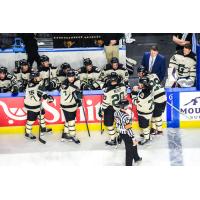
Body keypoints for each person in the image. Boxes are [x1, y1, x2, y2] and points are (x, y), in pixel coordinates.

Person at [98, 72, 127, 145]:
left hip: (111, 108)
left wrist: (101, 110)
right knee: (119, 123)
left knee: (109, 124)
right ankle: (120, 136)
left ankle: (113, 139)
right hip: (121, 107)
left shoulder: (108, 91)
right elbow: (125, 96)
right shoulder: (123, 86)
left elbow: (105, 103)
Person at [24, 71, 54, 140]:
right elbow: (35, 95)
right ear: (34, 78)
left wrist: (46, 96)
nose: (39, 77)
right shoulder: (31, 85)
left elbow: (41, 92)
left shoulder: (35, 83)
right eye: (38, 76)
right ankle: (27, 133)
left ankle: (43, 128)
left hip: (37, 105)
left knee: (42, 116)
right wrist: (43, 95)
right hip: (32, 106)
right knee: (31, 121)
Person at [137, 66, 166, 135]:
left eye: (140, 73)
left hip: (156, 98)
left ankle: (159, 130)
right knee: (154, 114)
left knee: (157, 115)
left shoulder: (143, 79)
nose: (138, 74)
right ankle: (153, 129)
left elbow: (145, 90)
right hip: (163, 95)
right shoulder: (154, 75)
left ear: (144, 73)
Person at [114, 99, 142, 166]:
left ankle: (136, 158)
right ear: (124, 107)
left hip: (121, 133)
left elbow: (117, 123)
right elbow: (128, 128)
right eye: (127, 105)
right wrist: (133, 137)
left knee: (134, 145)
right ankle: (128, 165)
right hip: (127, 134)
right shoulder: (125, 117)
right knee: (129, 150)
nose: (128, 106)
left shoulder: (116, 113)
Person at [60, 69, 82, 144]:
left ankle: (64, 135)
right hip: (66, 105)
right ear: (67, 77)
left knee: (68, 120)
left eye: (72, 76)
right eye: (69, 77)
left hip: (73, 105)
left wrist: (78, 100)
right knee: (71, 121)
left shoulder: (76, 81)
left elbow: (76, 90)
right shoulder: (64, 84)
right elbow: (75, 89)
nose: (71, 78)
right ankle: (73, 136)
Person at [131, 77, 154, 145]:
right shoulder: (150, 88)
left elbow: (135, 102)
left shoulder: (143, 94)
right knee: (145, 125)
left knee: (144, 126)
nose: (138, 84)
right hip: (148, 111)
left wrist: (134, 92)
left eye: (140, 83)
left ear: (144, 84)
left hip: (144, 112)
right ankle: (147, 135)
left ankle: (147, 138)